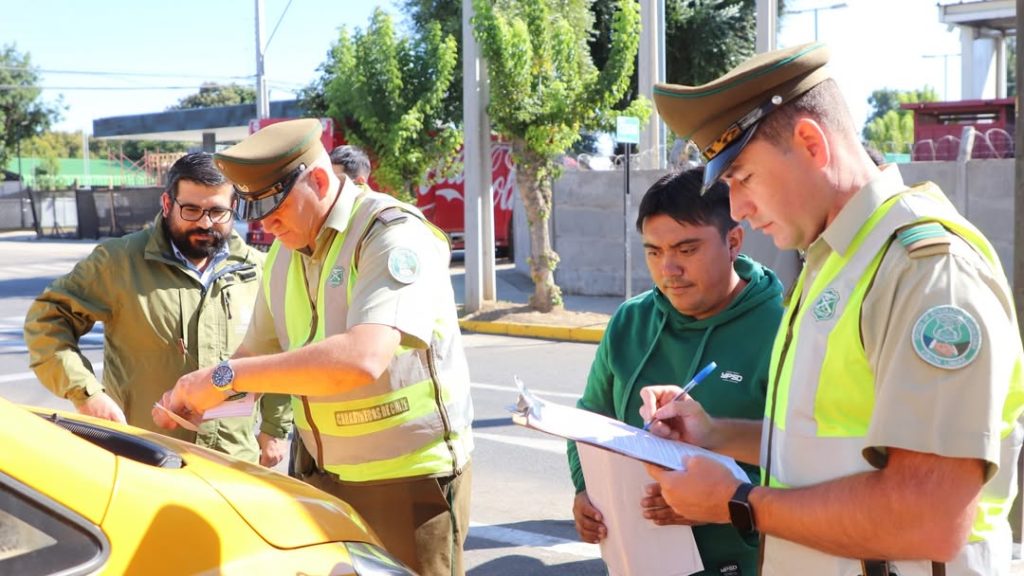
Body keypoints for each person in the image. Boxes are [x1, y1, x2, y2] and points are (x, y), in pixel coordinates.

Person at [641, 42, 1024, 575]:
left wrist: (737, 502)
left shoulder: (925, 271)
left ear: (810, 143)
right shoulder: (837, 258)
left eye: (743, 178)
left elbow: (931, 517)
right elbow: (835, 445)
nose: (738, 211)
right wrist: (714, 434)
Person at [152, 119, 474, 576]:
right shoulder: (285, 253)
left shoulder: (392, 235)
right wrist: (194, 396)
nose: (266, 224)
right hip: (321, 478)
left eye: (275, 206)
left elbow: (362, 358)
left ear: (319, 181)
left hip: (408, 481)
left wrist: (226, 378)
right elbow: (254, 357)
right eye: (255, 211)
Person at [567, 166, 783, 575]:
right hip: (636, 558)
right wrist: (585, 491)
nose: (669, 269)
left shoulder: (782, 329)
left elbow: (807, 464)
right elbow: (590, 418)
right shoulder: (631, 321)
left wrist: (727, 502)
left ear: (733, 240)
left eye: (687, 250)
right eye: (654, 251)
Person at [24, 152, 292, 466]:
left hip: (234, 461)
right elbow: (46, 321)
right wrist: (87, 394)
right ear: (167, 205)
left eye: (217, 211)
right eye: (191, 210)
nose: (205, 223)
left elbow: (277, 353)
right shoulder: (119, 262)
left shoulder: (258, 269)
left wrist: (275, 427)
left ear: (234, 208)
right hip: (143, 459)